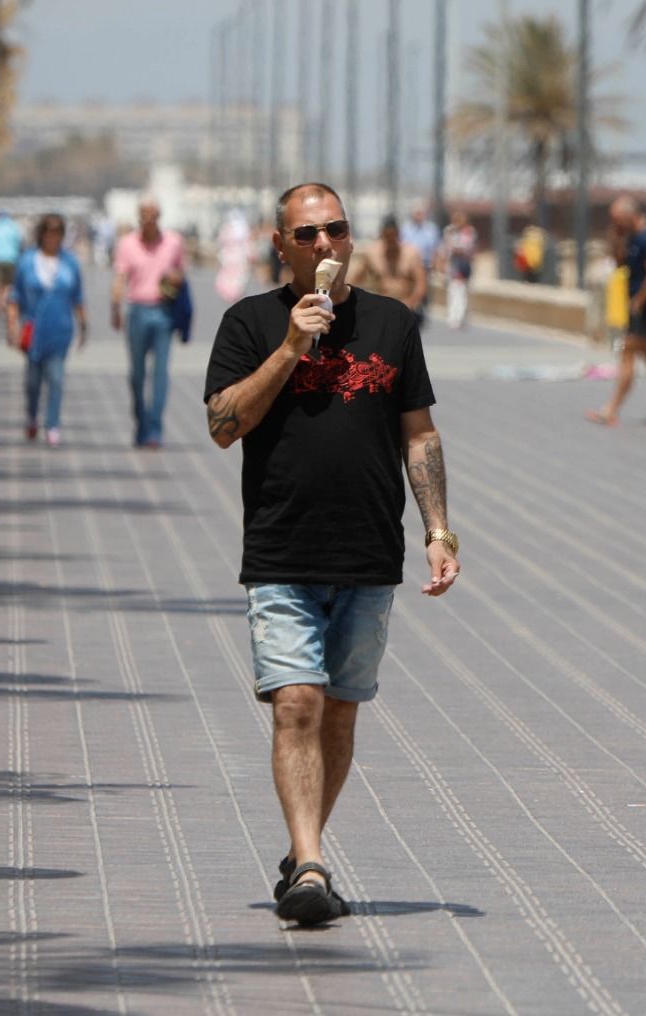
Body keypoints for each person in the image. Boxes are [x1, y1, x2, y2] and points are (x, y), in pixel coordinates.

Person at [203, 182, 460, 926]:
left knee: (341, 714)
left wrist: (439, 530)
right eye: (307, 234)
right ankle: (311, 864)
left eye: (336, 230)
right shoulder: (251, 322)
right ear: (279, 244)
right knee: (297, 702)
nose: (324, 246)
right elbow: (224, 424)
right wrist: (291, 345)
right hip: (283, 546)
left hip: (369, 550)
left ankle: (301, 843)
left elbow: (419, 433)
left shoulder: (391, 321)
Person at [587, 196, 646, 428]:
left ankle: (611, 409)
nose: (615, 223)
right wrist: (616, 237)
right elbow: (619, 264)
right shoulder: (633, 238)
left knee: (627, 352)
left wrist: (639, 300)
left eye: (618, 219)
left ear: (631, 215)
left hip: (645, 307)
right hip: (637, 305)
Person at [112, 198, 186, 449]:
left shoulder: (173, 242)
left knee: (160, 373)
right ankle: (140, 423)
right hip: (138, 311)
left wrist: (175, 279)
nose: (148, 219)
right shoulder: (127, 244)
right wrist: (115, 306)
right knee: (137, 374)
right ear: (138, 216)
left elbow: (180, 272)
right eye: (144, 214)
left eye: (153, 214)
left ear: (159, 216)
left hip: (163, 311)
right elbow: (120, 276)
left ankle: (154, 429)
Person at [7, 213, 86, 446]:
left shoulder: (70, 262)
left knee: (56, 379)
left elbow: (78, 297)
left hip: (60, 329)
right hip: (33, 331)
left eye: (58, 231)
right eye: (49, 231)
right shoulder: (27, 261)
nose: (53, 236)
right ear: (41, 233)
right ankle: (32, 416)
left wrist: (84, 326)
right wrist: (12, 325)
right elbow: (15, 296)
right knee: (32, 381)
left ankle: (52, 424)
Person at [356, 216, 428, 316]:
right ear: (382, 234)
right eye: (387, 236)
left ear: (398, 234)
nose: (390, 240)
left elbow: (421, 285)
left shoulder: (411, 254)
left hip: (405, 306)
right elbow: (357, 279)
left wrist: (411, 302)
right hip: (381, 306)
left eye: (393, 235)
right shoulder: (372, 253)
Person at [400, 204, 442, 324]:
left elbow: (436, 248)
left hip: (425, 264)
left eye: (421, 214)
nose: (419, 216)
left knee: (423, 287)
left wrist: (436, 262)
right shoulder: (405, 228)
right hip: (409, 265)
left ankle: (421, 309)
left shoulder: (431, 229)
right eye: (417, 213)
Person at [440, 210, 477, 330]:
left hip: (464, 265)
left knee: (461, 291)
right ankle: (453, 317)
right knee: (453, 291)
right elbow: (446, 248)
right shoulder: (449, 231)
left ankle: (460, 317)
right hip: (453, 265)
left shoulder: (469, 232)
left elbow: (468, 248)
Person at [0, 209, 23, 314]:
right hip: (11, 258)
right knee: (8, 283)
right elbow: (19, 243)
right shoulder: (14, 227)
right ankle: (5, 301)